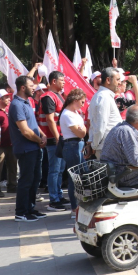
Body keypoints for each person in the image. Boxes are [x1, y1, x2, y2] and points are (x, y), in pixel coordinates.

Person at [10, 75, 47, 222]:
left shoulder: (26, 102)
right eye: (31, 85)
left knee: (35, 179)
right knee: (26, 181)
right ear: (23, 87)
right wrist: (39, 140)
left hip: (34, 147)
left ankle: (30, 208)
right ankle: (21, 212)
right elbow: (25, 131)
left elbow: (33, 124)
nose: (34, 88)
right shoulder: (17, 105)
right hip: (26, 149)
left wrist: (42, 134)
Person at [37, 71, 67, 211]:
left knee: (60, 169)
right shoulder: (48, 97)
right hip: (53, 139)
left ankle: (58, 195)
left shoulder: (58, 95)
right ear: (54, 81)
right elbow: (50, 119)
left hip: (60, 137)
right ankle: (54, 200)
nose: (64, 82)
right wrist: (57, 138)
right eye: (62, 80)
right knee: (54, 169)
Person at [60, 88, 87, 217]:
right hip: (72, 145)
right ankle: (74, 208)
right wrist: (84, 129)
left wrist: (83, 129)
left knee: (80, 176)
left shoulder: (74, 113)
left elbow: (83, 130)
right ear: (75, 101)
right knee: (74, 178)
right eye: (82, 102)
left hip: (77, 144)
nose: (83, 104)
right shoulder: (67, 114)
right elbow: (80, 132)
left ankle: (78, 205)